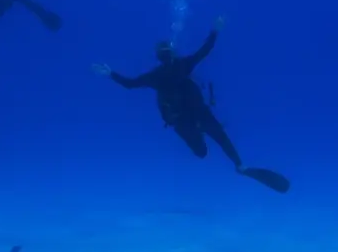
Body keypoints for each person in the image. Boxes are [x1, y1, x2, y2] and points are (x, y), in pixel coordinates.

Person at [93, 16, 290, 193]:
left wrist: (110, 74)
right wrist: (215, 31)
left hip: (186, 120)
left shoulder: (158, 74)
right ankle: (240, 166)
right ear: (170, 53)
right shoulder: (179, 66)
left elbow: (130, 84)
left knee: (206, 148)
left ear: (160, 56)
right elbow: (204, 51)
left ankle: (239, 164)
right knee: (214, 143)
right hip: (192, 117)